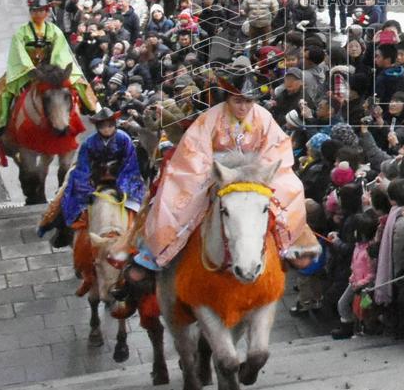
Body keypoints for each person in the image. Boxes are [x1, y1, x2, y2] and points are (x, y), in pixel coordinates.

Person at [142, 63, 315, 269]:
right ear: (228, 99)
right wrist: (216, 172)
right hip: (215, 172)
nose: (243, 107)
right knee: (177, 196)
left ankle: (286, 241)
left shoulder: (263, 117)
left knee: (293, 187)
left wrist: (258, 171)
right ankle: (167, 247)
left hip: (254, 173)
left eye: (248, 101)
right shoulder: (211, 117)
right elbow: (194, 151)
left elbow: (276, 148)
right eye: (238, 101)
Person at [0, 0, 96, 135]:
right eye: (34, 11)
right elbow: (18, 52)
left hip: (51, 69)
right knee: (3, 91)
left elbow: (60, 52)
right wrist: (30, 68)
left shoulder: (54, 31)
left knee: (79, 82)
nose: (37, 14)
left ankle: (90, 108)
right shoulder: (21, 32)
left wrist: (55, 71)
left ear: (47, 13)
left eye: (41, 11)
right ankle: (1, 124)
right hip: (27, 70)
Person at [40, 107, 147, 248]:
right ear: (97, 127)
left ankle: (143, 234)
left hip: (121, 176)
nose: (107, 129)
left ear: (115, 125)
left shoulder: (124, 139)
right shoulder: (89, 142)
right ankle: (62, 229)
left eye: (110, 125)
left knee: (144, 202)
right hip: (94, 176)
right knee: (66, 194)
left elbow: (130, 164)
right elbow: (83, 166)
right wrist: (86, 190)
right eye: (103, 126)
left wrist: (123, 187)